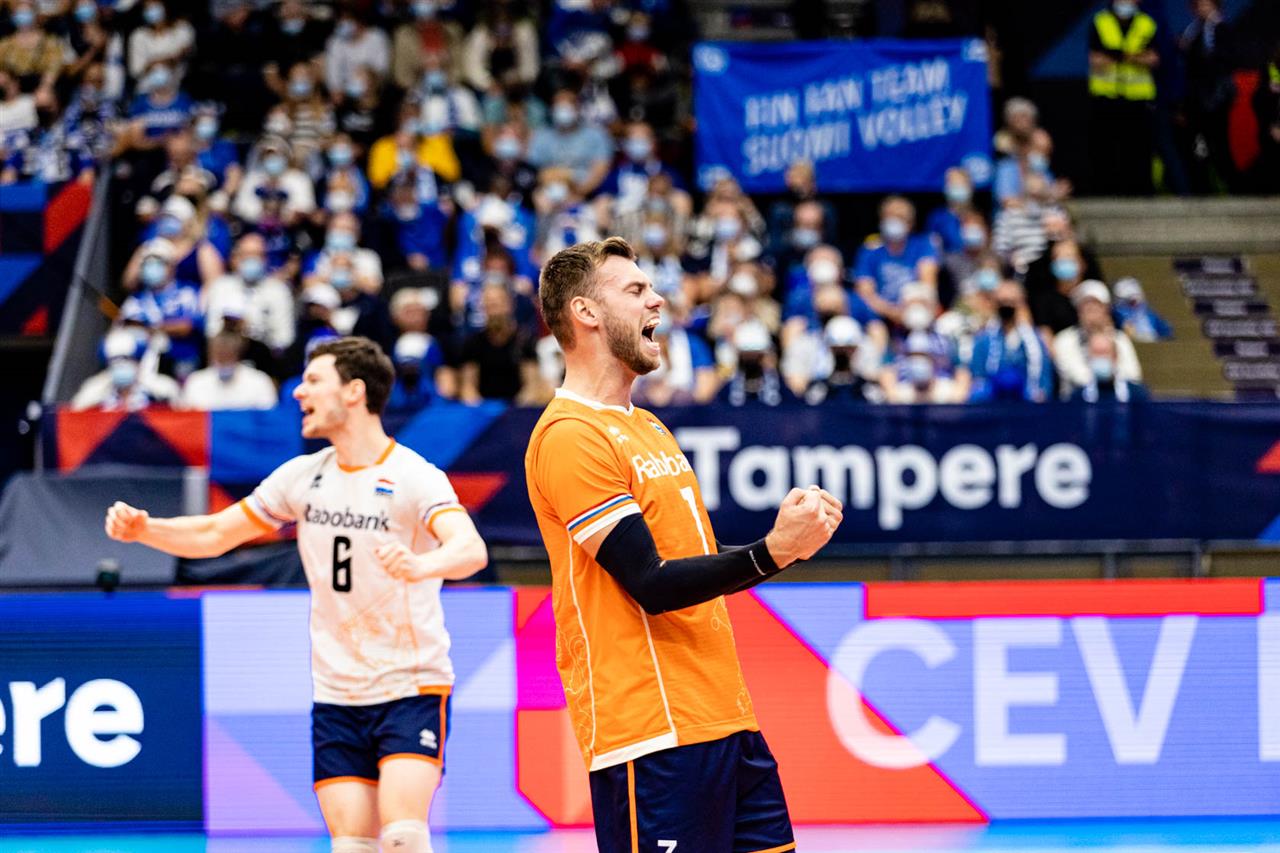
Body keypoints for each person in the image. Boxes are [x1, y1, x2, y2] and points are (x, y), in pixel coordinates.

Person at [106, 336, 488, 853]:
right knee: (351, 844)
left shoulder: (414, 477)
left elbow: (470, 549)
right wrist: (146, 529)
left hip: (411, 684)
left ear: (354, 392)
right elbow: (216, 533)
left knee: (402, 835)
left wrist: (424, 564)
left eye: (312, 381)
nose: (298, 393)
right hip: (337, 692)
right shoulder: (303, 477)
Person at [525, 237, 841, 853]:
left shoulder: (647, 425)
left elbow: (697, 559)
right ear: (586, 312)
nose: (658, 300)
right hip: (651, 733)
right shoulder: (569, 435)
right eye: (636, 290)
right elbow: (651, 581)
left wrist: (788, 540)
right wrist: (774, 551)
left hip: (726, 717)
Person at [1088, 0, 1160, 195]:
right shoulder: (1100, 21)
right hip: (1106, 96)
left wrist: (1116, 55)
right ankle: (1108, 192)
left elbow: (1153, 59)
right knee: (1107, 149)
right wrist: (1135, 56)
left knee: (1139, 149)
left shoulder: (1147, 23)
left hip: (1138, 98)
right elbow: (1095, 60)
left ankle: (1141, 192)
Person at [968, 280, 1054, 402]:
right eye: (1001, 302)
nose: (1006, 306)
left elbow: (1044, 383)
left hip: (1026, 406)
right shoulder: (983, 340)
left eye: (1011, 302)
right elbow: (977, 377)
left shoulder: (1035, 341)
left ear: (1021, 304)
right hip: (992, 404)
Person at [180, 330, 278, 410]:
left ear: (238, 353)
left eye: (228, 354)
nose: (223, 357)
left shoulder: (259, 381)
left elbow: (269, 419)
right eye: (219, 354)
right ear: (210, 354)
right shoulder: (196, 381)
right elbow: (187, 418)